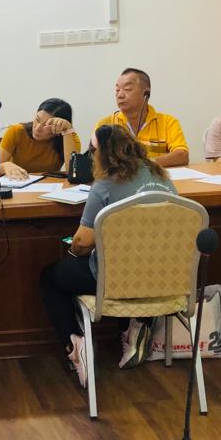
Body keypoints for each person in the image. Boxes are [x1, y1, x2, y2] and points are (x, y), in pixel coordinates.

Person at [39, 124, 177, 388]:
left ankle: (75, 343)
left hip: (116, 280)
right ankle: (137, 325)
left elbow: (82, 243)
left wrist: (73, 252)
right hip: (164, 277)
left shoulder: (104, 186)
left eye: (92, 151)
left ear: (102, 154)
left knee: (50, 276)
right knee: (138, 262)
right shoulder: (160, 175)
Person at [95, 68, 189, 167]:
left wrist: (144, 165)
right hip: (120, 176)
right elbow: (95, 161)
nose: (120, 95)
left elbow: (182, 155)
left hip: (155, 176)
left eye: (127, 89)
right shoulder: (106, 125)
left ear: (146, 93)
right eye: (117, 90)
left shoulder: (168, 122)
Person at [0, 98, 81, 179]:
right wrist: (5, 166)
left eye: (46, 125)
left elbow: (74, 173)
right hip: (18, 186)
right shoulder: (16, 131)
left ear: (58, 128)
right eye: (37, 120)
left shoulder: (69, 137)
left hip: (50, 188)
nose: (37, 128)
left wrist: (67, 130)